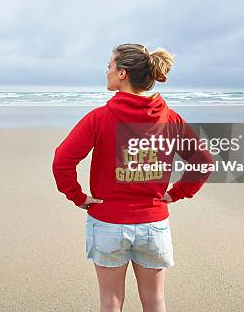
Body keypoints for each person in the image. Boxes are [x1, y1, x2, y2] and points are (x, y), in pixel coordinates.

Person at [52, 43, 214, 312]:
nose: (107, 71)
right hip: (154, 225)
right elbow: (204, 161)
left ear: (122, 73)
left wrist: (78, 197)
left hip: (107, 223)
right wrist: (177, 192)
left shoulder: (99, 118)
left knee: (111, 300)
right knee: (155, 301)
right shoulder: (170, 119)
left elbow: (62, 161)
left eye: (110, 66)